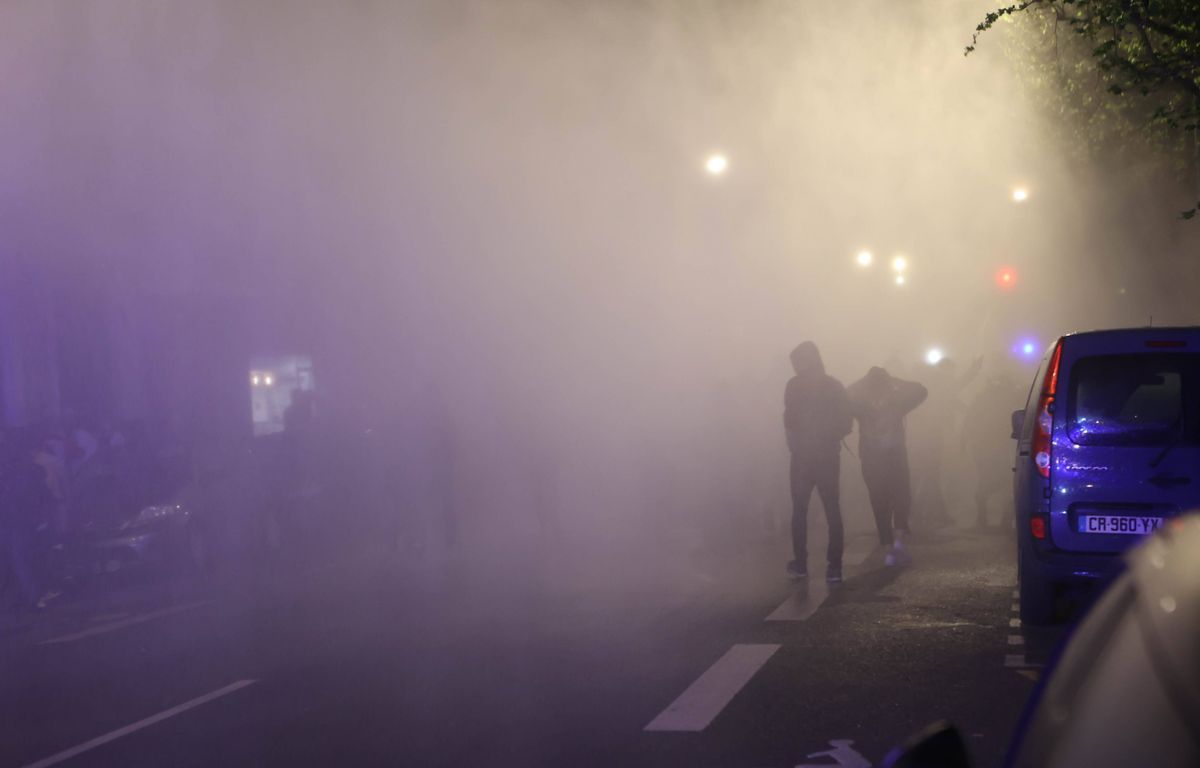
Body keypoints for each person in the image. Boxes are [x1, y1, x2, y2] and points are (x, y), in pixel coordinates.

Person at [782, 342, 853, 582]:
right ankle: (835, 567)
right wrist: (828, 435)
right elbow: (846, 424)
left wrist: (796, 443)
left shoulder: (793, 386)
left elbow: (789, 421)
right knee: (831, 509)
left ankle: (801, 563)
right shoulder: (834, 386)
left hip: (802, 458)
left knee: (800, 510)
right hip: (826, 457)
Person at [847, 367, 927, 566]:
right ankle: (897, 544)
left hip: (873, 456)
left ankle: (889, 546)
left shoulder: (860, 404)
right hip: (893, 455)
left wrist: (862, 381)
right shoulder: (897, 402)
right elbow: (921, 390)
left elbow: (844, 394)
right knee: (900, 496)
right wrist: (896, 379)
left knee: (879, 500)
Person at [0, 430, 57, 612]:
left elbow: (39, 496)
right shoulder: (18, 470)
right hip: (15, 521)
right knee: (18, 560)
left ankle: (34, 597)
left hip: (19, 521)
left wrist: (41, 518)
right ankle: (29, 596)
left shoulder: (25, 471)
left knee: (22, 559)